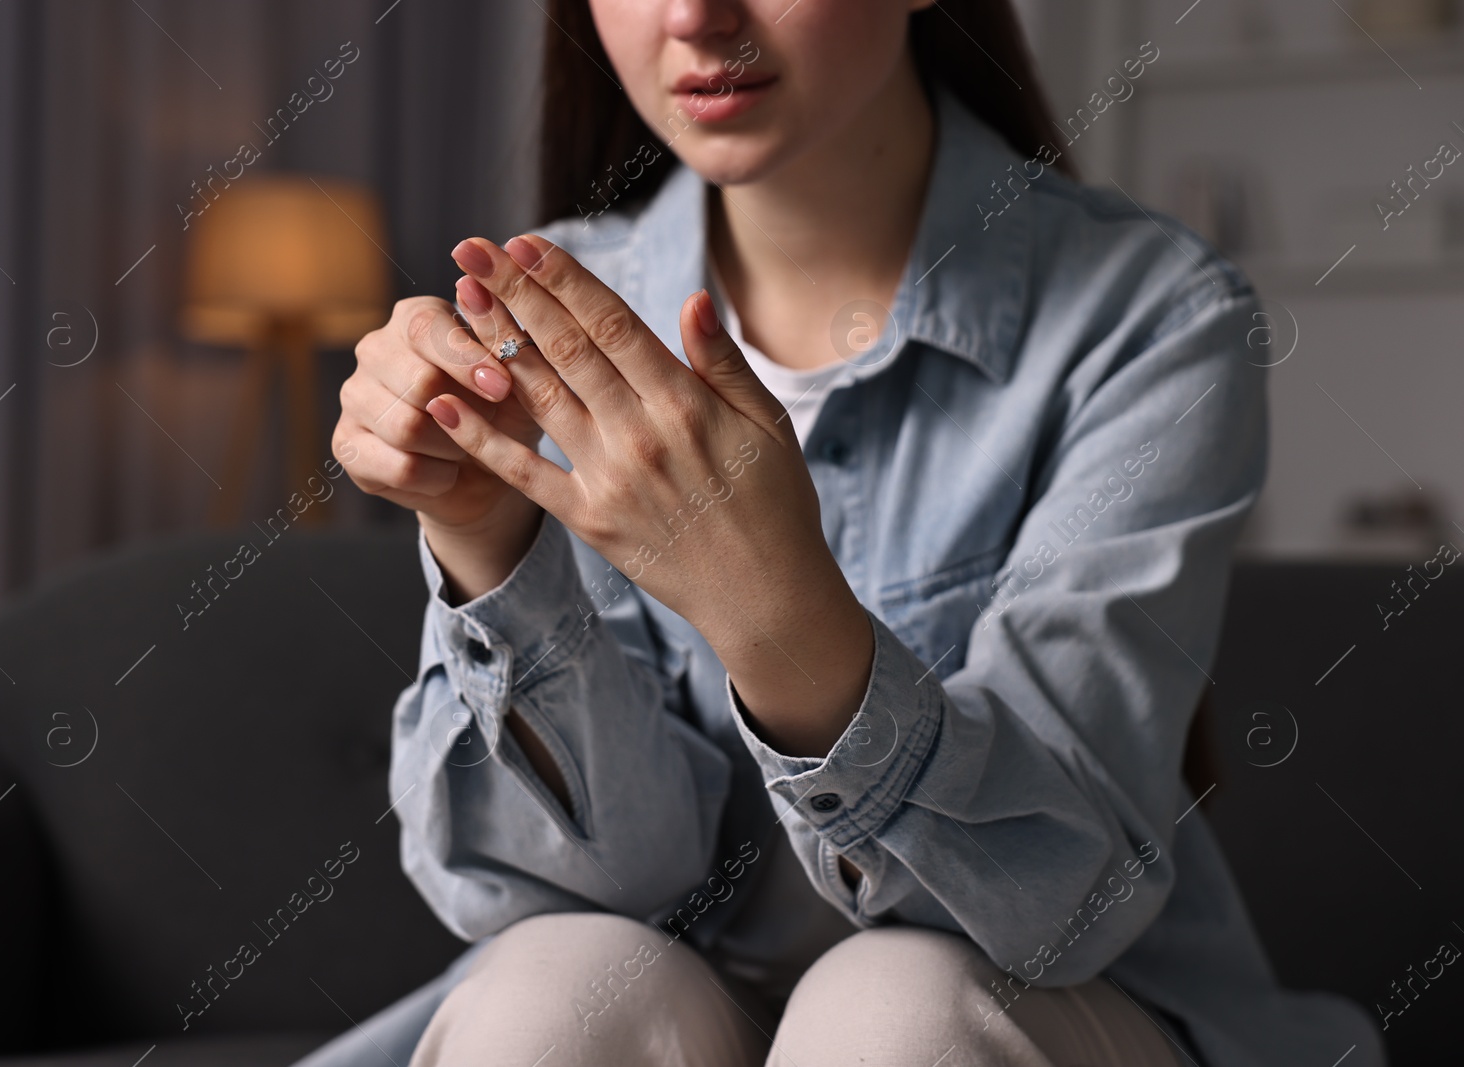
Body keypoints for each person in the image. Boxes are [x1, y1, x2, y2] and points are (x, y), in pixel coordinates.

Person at [310, 0, 1382, 1063]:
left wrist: (767, 602)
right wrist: (486, 539)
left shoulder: (1152, 316)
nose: (693, 15)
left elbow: (1051, 905)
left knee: (895, 1003)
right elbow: (548, 893)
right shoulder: (541, 310)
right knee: (559, 984)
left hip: (1039, 1013)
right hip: (674, 1014)